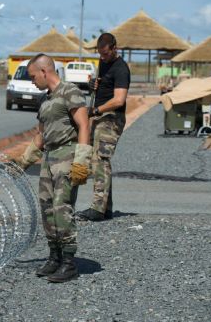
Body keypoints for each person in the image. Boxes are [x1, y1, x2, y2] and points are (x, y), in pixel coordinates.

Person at [14, 54, 92, 283]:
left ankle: (68, 262)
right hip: (49, 158)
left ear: (44, 72)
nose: (31, 81)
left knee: (61, 207)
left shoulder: (70, 92)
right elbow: (40, 135)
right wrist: (22, 163)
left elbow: (84, 124)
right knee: (47, 208)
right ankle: (54, 257)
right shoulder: (45, 100)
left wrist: (81, 161)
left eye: (32, 76)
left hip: (67, 155)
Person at [77, 33, 131, 222]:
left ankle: (98, 208)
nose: (103, 57)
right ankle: (105, 208)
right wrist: (93, 85)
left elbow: (119, 100)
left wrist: (96, 110)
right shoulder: (103, 63)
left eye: (106, 54)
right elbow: (103, 88)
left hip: (112, 117)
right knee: (95, 160)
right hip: (100, 117)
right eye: (100, 54)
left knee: (101, 159)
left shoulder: (121, 69)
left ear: (115, 47)